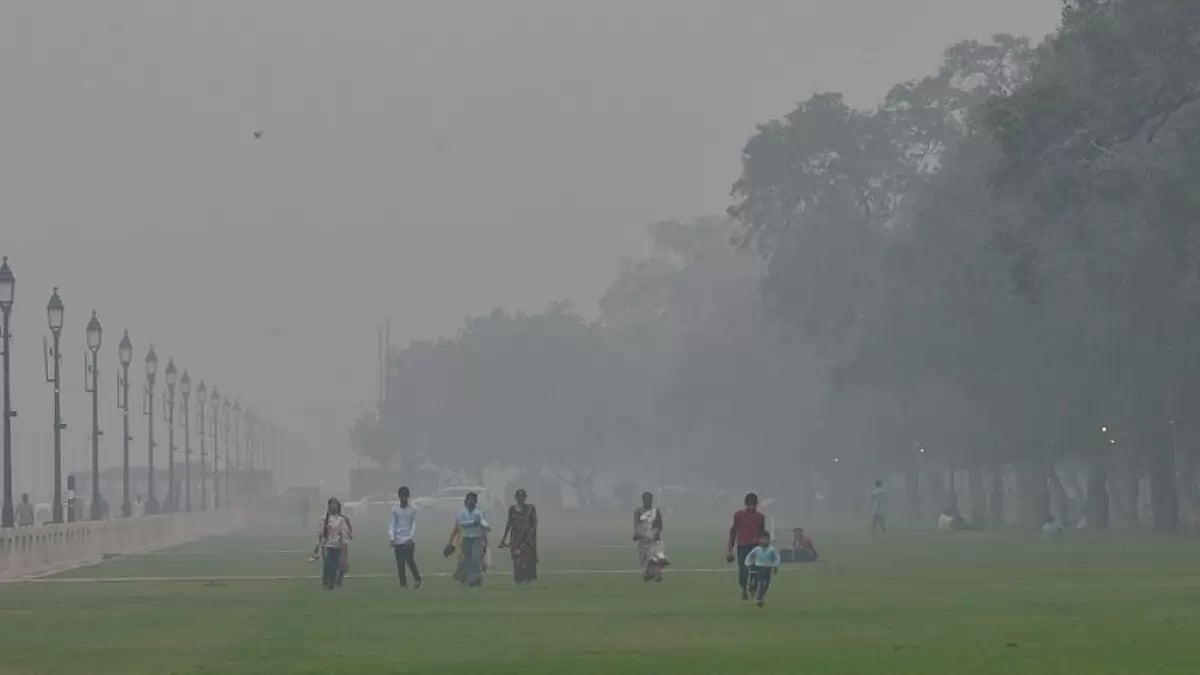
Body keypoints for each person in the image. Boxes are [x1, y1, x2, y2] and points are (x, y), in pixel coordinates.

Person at [727, 492, 767, 601]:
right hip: (743, 546)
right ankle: (744, 588)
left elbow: (762, 533)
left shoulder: (760, 517)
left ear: (756, 504)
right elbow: (734, 532)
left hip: (755, 546)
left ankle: (753, 586)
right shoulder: (738, 515)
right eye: (750, 505)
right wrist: (730, 549)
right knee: (743, 570)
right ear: (746, 504)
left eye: (753, 505)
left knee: (755, 570)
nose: (751, 507)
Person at [445, 492, 490, 587]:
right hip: (465, 538)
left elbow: (482, 524)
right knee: (467, 559)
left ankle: (475, 578)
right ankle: (470, 578)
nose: (471, 502)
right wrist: (474, 522)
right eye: (469, 500)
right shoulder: (461, 513)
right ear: (466, 501)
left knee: (475, 558)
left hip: (476, 538)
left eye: (473, 500)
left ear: (476, 502)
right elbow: (462, 524)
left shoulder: (478, 512)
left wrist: (486, 530)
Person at [499, 488, 538, 584]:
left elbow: (534, 523)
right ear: (515, 497)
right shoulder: (512, 509)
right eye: (519, 497)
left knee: (528, 558)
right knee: (517, 557)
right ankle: (519, 579)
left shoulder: (530, 508)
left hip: (527, 537)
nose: (521, 499)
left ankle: (529, 578)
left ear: (525, 497)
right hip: (516, 537)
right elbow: (509, 524)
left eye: (523, 497)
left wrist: (529, 533)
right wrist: (503, 539)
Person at [315, 497, 352, 590]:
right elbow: (320, 533)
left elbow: (345, 534)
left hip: (337, 545)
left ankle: (332, 581)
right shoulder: (324, 519)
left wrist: (344, 545)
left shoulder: (341, 520)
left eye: (336, 504)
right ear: (329, 506)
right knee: (328, 563)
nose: (334, 506)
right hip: (327, 545)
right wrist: (318, 545)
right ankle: (326, 580)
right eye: (332, 504)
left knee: (335, 564)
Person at [389, 486, 422, 589]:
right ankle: (403, 584)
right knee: (400, 563)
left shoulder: (413, 509)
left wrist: (410, 538)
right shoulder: (395, 509)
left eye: (405, 497)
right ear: (399, 497)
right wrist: (391, 538)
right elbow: (392, 524)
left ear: (408, 497)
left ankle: (418, 580)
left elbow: (414, 524)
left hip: (408, 538)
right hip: (398, 538)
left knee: (410, 561)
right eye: (401, 497)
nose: (403, 499)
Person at [634, 491, 666, 582]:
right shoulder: (638, 511)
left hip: (654, 536)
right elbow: (637, 523)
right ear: (643, 500)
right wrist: (636, 533)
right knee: (644, 558)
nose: (647, 501)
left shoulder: (656, 510)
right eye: (645, 499)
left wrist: (657, 534)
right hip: (643, 537)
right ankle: (647, 574)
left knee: (657, 557)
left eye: (648, 499)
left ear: (651, 500)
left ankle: (658, 575)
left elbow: (659, 524)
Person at [744, 532, 781, 607]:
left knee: (767, 584)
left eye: (766, 539)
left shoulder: (772, 549)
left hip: (768, 568)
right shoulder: (757, 549)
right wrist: (748, 563)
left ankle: (760, 595)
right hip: (759, 567)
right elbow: (750, 556)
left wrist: (775, 566)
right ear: (759, 540)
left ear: (769, 540)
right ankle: (759, 598)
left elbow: (777, 558)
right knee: (761, 582)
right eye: (762, 539)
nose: (764, 541)